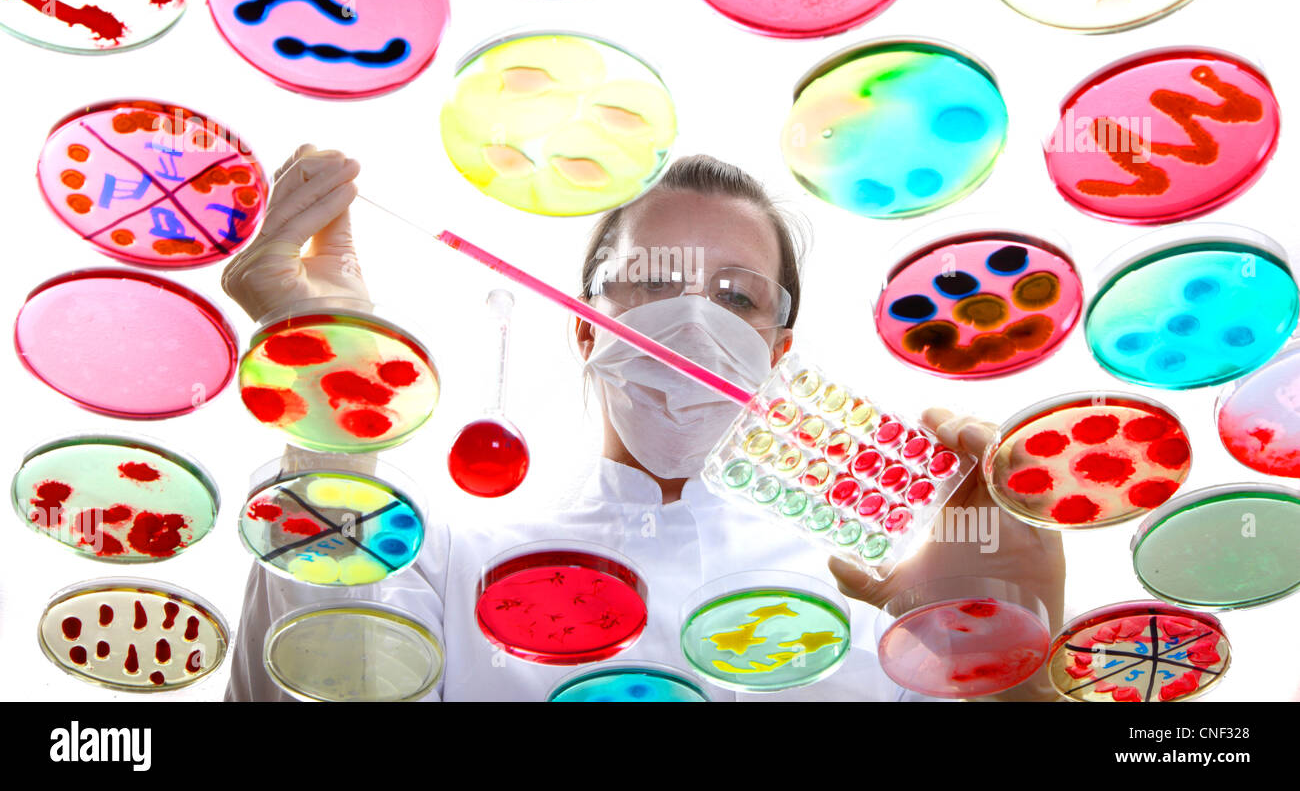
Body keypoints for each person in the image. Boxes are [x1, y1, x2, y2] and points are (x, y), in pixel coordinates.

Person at [221, 144, 1066, 701]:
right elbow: (306, 679)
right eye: (655, 286)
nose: (695, 321)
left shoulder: (878, 597)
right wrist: (325, 377)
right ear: (585, 328)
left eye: (738, 297)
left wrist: (1016, 652)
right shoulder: (453, 560)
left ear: (778, 356)